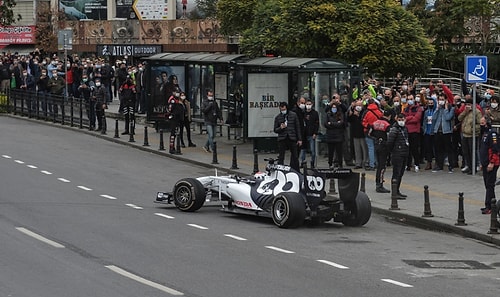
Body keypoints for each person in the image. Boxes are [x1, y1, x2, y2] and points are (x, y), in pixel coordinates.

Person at [479, 116, 500, 215]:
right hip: (485, 163)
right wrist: (482, 163)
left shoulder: (492, 134)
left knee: (490, 184)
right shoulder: (484, 134)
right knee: (487, 185)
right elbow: (483, 149)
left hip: (491, 164)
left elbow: (495, 149)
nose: (481, 125)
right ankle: (489, 204)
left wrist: (492, 162)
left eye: (482, 123)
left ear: (487, 123)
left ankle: (491, 206)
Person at [274, 101, 302, 171]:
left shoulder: (293, 115)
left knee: (295, 156)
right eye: (281, 109)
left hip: (291, 137)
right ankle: (280, 170)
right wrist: (280, 128)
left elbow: (297, 127)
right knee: (281, 156)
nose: (283, 111)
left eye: (284, 109)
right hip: (282, 138)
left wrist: (299, 139)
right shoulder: (278, 117)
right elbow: (275, 129)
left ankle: (295, 170)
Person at [387, 113, 410, 199]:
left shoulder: (405, 129)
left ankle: (397, 190)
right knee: (396, 173)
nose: (401, 121)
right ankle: (394, 192)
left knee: (400, 173)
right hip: (397, 154)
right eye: (399, 120)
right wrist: (392, 151)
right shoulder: (394, 129)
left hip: (404, 153)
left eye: (403, 119)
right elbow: (390, 142)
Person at [369, 110, 392, 193]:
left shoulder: (375, 123)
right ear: (389, 116)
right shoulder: (387, 125)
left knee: (379, 165)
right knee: (382, 167)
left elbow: (369, 133)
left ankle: (378, 183)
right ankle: (380, 185)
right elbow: (390, 137)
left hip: (377, 145)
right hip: (384, 147)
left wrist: (377, 139)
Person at [432, 93, 455, 172]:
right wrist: (437, 109)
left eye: (442, 99)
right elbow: (434, 118)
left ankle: (451, 165)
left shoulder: (450, 108)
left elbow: (448, 117)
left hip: (446, 131)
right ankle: (439, 165)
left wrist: (445, 108)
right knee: (438, 149)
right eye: (439, 100)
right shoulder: (438, 109)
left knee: (449, 149)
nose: (441, 101)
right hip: (437, 130)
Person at [458, 98, 482, 174]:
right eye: (466, 104)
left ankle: (473, 168)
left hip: (472, 135)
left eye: (469, 104)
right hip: (464, 134)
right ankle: (469, 166)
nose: (468, 106)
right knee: (466, 152)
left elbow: (480, 123)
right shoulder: (466, 112)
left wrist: (473, 129)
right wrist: (465, 111)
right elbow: (459, 118)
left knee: (472, 152)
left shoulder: (477, 112)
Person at [348, 99, 368, 169]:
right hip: (355, 133)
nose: (358, 107)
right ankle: (358, 163)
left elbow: (364, 122)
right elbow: (349, 120)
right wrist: (350, 115)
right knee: (357, 149)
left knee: (364, 149)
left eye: (360, 105)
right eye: (357, 105)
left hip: (363, 133)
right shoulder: (353, 112)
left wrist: (358, 116)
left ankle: (365, 162)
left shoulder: (364, 112)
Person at [324, 101, 345, 169]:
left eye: (335, 107)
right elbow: (326, 124)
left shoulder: (340, 114)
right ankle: (330, 164)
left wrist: (331, 123)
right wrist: (336, 123)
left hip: (338, 136)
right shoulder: (328, 114)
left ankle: (340, 164)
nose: (334, 109)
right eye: (333, 107)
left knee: (339, 152)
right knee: (330, 151)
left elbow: (341, 123)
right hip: (330, 136)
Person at [300, 99, 319, 168]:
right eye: (307, 104)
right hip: (304, 134)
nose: (308, 106)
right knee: (303, 150)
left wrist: (315, 133)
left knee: (312, 150)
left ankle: (312, 162)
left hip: (311, 134)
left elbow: (317, 124)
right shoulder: (303, 113)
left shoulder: (315, 113)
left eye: (309, 104)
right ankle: (302, 162)